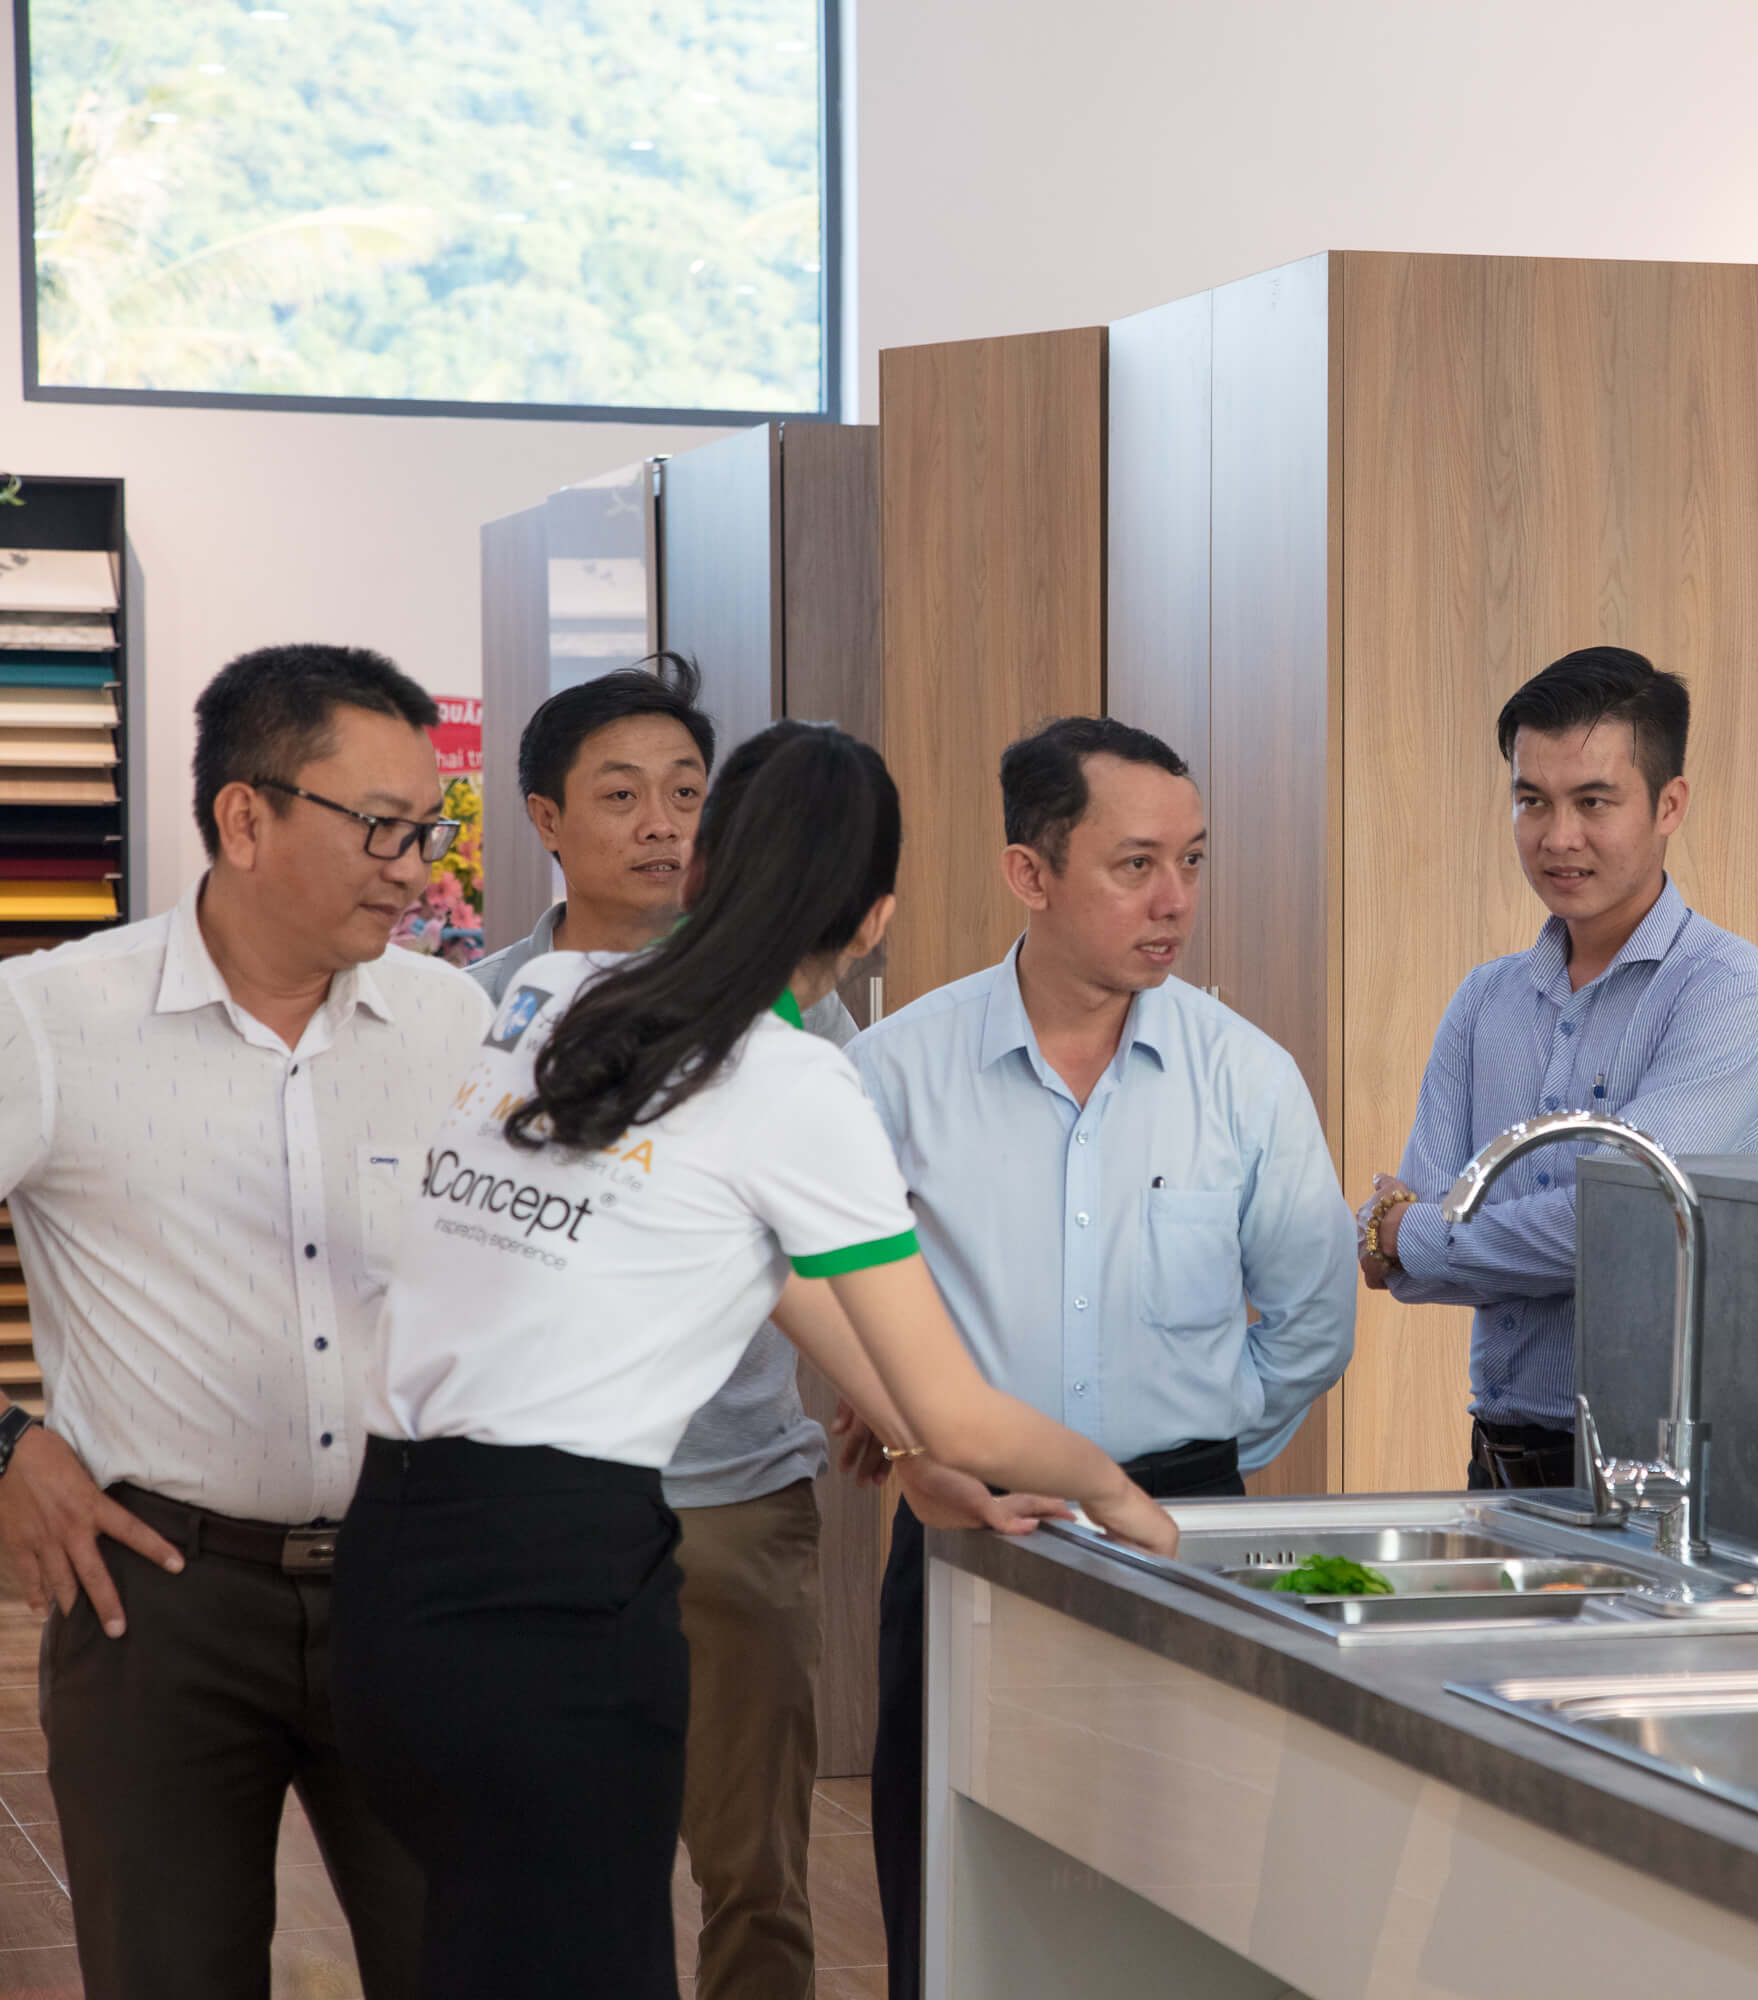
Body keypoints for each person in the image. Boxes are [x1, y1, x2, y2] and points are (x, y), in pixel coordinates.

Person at [334, 721, 1176, 1999]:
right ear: (876, 915)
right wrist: (1117, 1492)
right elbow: (961, 1403)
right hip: (558, 1581)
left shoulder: (552, 991)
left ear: (703, 864)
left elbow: (752, 1261)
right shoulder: (792, 1079)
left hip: (395, 1554)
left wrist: (910, 1447)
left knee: (481, 1947)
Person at [0, 643, 490, 1997]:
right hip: (159, 1598)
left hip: (414, 1585)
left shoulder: (452, 1022)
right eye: (380, 826)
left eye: (427, 830)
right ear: (245, 816)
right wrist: (7, 1444)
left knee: (462, 1957)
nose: (413, 866)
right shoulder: (49, 1018)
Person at [844, 716, 1356, 1998]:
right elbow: (831, 1306)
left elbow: (1312, 1320)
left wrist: (1197, 1446)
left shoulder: (1246, 1077)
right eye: (1135, 864)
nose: (1174, 899)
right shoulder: (895, 1072)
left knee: (1184, 1908)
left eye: (1193, 859)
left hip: (1180, 1529)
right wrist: (909, 1436)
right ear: (1030, 872)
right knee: (953, 1901)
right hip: (970, 1528)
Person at [471, 659, 851, 2000]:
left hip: (737, 1491)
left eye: (688, 794)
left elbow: (841, 1240)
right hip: (543, 1503)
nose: (663, 825)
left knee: (758, 1866)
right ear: (545, 817)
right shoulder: (482, 1011)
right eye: (622, 794)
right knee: (562, 1862)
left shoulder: (793, 1009)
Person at [1360, 647, 1758, 1490]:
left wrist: (1407, 1232)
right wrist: (1426, 1241)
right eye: (1532, 801)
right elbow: (1408, 1273)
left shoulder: (1730, 992)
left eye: (1594, 802)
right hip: (1496, 1461)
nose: (1558, 837)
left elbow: (1616, 1227)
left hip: (1659, 1475)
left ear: (1669, 804)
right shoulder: (1484, 1000)